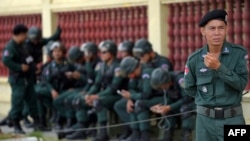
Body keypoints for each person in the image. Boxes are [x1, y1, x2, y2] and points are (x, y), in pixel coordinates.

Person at [184, 9, 248, 141]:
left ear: (226, 29)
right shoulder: (194, 59)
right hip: (204, 123)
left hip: (234, 119)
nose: (217, 33)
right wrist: (206, 101)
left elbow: (241, 84)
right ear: (203, 31)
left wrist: (219, 67)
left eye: (221, 28)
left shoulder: (239, 54)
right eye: (212, 28)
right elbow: (189, 88)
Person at [81, 40, 128, 141]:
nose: (101, 55)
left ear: (111, 53)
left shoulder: (117, 67)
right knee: (83, 100)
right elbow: (97, 84)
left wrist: (97, 96)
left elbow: (113, 88)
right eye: (100, 52)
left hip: (118, 95)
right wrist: (89, 95)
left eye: (104, 52)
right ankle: (86, 129)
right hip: (105, 94)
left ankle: (103, 133)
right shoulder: (102, 66)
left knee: (98, 102)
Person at [2, 24, 39, 134]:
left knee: (32, 100)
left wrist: (34, 68)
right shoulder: (11, 46)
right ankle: (16, 124)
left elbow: (28, 58)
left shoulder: (22, 45)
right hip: (18, 79)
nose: (26, 37)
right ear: (20, 34)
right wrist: (19, 67)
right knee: (17, 102)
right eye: (25, 35)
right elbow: (6, 60)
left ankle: (37, 122)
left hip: (28, 78)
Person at [117, 56, 164, 141]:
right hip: (142, 98)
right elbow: (132, 88)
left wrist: (131, 96)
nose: (129, 76)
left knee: (139, 104)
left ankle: (144, 135)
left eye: (128, 73)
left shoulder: (146, 72)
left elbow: (147, 94)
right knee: (121, 105)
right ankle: (135, 131)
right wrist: (129, 99)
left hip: (158, 97)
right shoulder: (135, 75)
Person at [150, 68, 195, 141]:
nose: (161, 88)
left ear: (166, 81)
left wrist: (170, 107)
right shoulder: (167, 84)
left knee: (185, 108)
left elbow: (188, 98)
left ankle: (186, 136)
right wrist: (161, 106)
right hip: (181, 103)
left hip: (193, 103)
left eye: (162, 86)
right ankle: (168, 135)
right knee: (168, 109)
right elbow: (171, 98)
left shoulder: (180, 79)